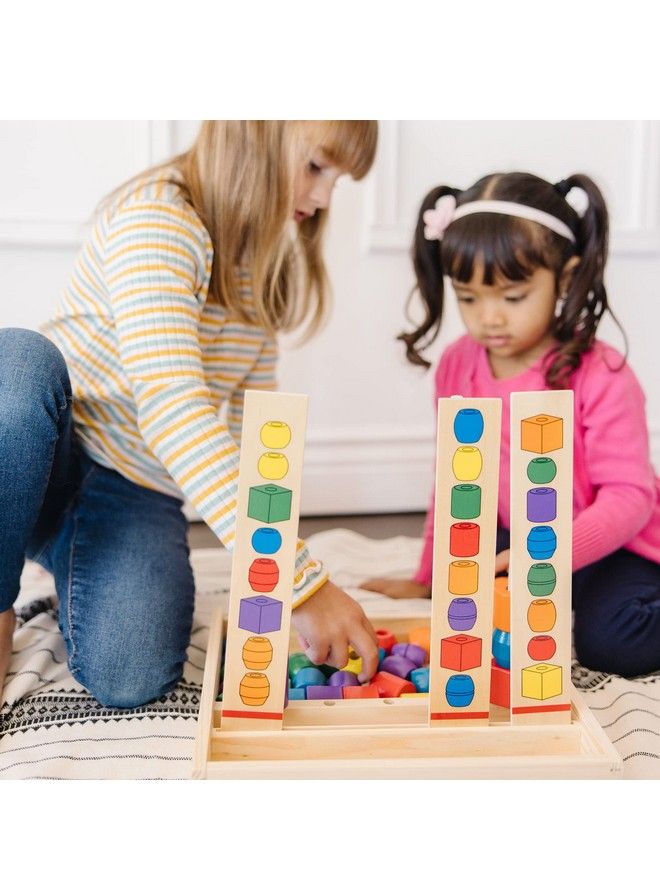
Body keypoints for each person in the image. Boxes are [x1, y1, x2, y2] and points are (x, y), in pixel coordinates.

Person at [0, 120, 380, 706]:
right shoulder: (160, 219)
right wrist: (299, 582)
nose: (326, 197)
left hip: (132, 489)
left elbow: (253, 442)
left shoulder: (261, 271)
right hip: (52, 448)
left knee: (133, 674)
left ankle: (57, 547)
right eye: (315, 168)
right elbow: (173, 406)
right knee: (18, 367)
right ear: (253, 135)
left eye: (338, 179)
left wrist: (274, 581)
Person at [362, 171, 660, 678]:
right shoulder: (459, 364)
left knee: (612, 644)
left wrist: (548, 557)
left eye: (513, 297)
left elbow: (631, 498)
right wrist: (430, 575)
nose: (489, 319)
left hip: (613, 547)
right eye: (469, 297)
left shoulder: (601, 372)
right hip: (519, 537)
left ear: (564, 279)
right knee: (462, 614)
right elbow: (456, 479)